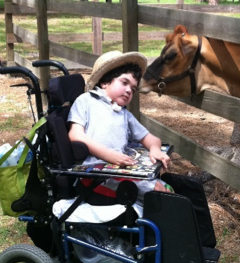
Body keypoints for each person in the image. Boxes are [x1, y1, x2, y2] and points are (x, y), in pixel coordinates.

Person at [67, 51, 172, 213]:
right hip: (96, 175)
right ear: (105, 82)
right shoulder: (86, 101)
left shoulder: (124, 115)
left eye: (133, 88)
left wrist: (155, 149)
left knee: (168, 188)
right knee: (159, 193)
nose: (129, 90)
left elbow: (151, 138)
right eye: (124, 82)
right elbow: (75, 135)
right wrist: (109, 155)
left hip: (120, 170)